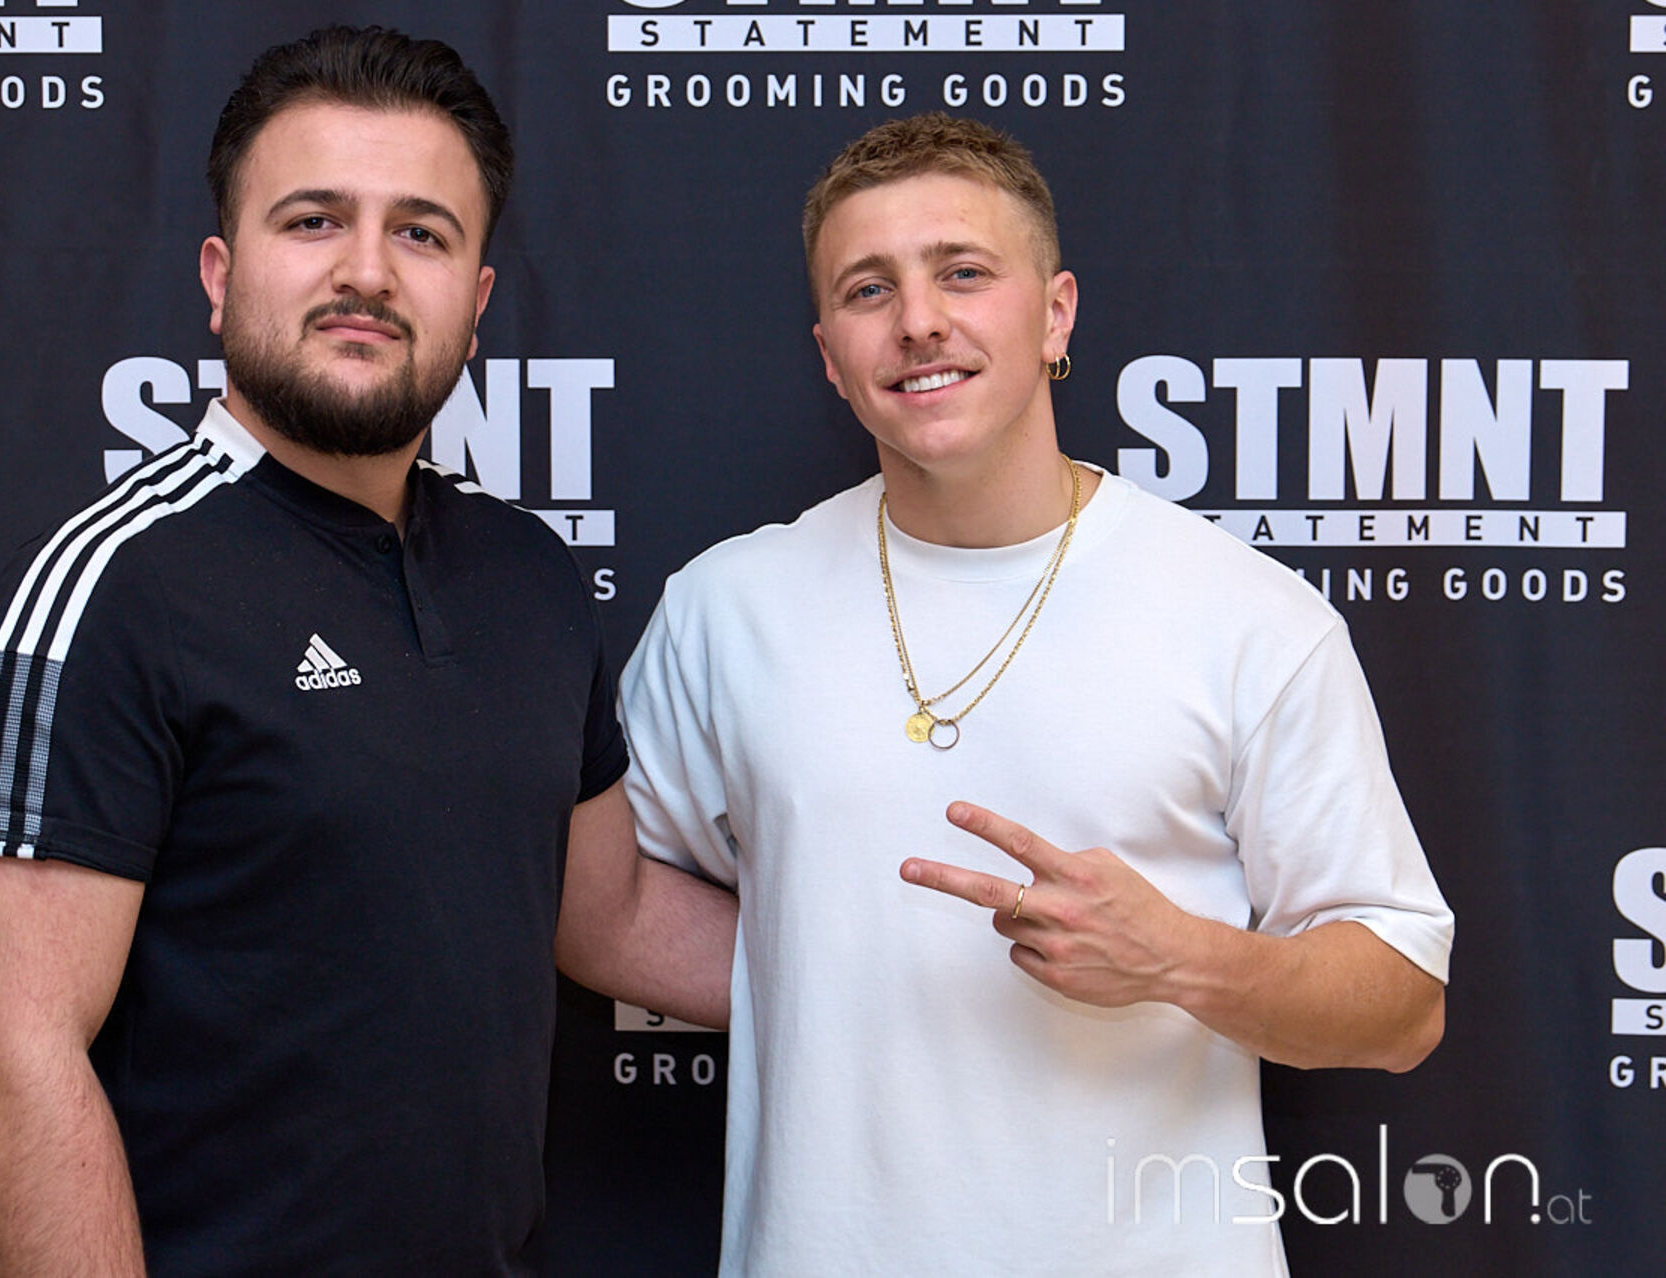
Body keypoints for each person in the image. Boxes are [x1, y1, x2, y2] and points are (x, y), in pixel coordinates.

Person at [0, 26, 731, 1276]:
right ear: (220, 273)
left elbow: (610, 916)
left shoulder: (529, 575)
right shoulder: (111, 592)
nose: (367, 270)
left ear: (475, 301)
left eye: (421, 233)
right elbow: (9, 1058)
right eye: (313, 221)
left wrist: (905, 969)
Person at [619, 113, 1453, 1275]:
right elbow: (605, 899)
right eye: (869, 289)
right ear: (829, 355)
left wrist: (1179, 958)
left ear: (1056, 314)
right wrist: (803, 973)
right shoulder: (726, 609)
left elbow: (1405, 1005)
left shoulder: (1248, 617)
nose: (919, 320)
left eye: (963, 272)